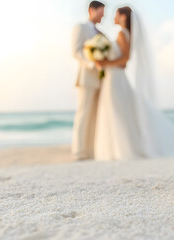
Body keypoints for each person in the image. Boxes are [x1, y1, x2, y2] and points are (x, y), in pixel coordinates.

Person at [93, 6, 174, 160]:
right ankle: (117, 148)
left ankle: (122, 149)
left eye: (116, 14)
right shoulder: (125, 34)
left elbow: (125, 59)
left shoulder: (122, 33)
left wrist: (106, 62)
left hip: (115, 78)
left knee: (118, 111)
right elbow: (124, 61)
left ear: (123, 17)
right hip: (114, 77)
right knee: (118, 111)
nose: (113, 17)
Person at [71, 1, 105, 160]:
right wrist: (92, 63)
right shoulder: (80, 27)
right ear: (92, 10)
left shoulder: (101, 33)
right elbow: (76, 51)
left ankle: (91, 151)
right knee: (83, 115)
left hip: (101, 80)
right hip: (86, 78)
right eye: (101, 12)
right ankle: (78, 152)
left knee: (95, 117)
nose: (103, 15)